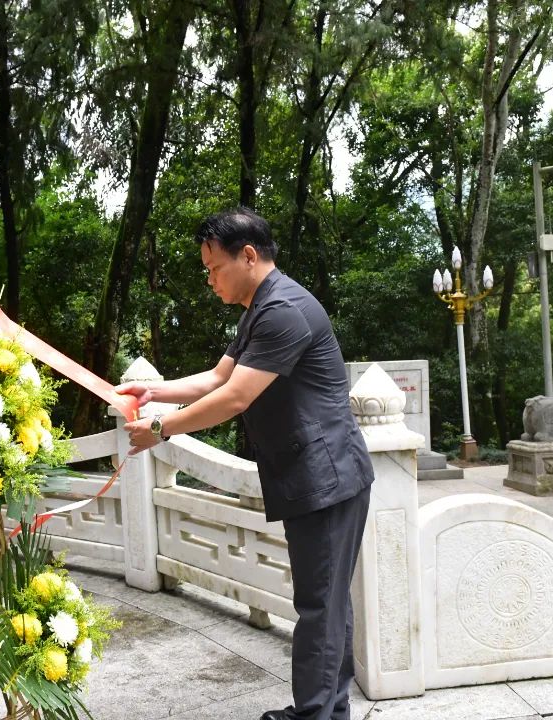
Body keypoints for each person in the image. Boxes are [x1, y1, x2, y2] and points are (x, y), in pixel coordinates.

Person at [117, 207, 374, 720]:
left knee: (320, 605)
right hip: (312, 474)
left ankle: (319, 714)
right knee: (324, 602)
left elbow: (235, 398)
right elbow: (216, 378)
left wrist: (162, 428)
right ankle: (325, 708)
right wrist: (153, 391)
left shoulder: (284, 311)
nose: (209, 279)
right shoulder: (261, 308)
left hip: (327, 477)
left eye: (214, 268)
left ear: (249, 256)